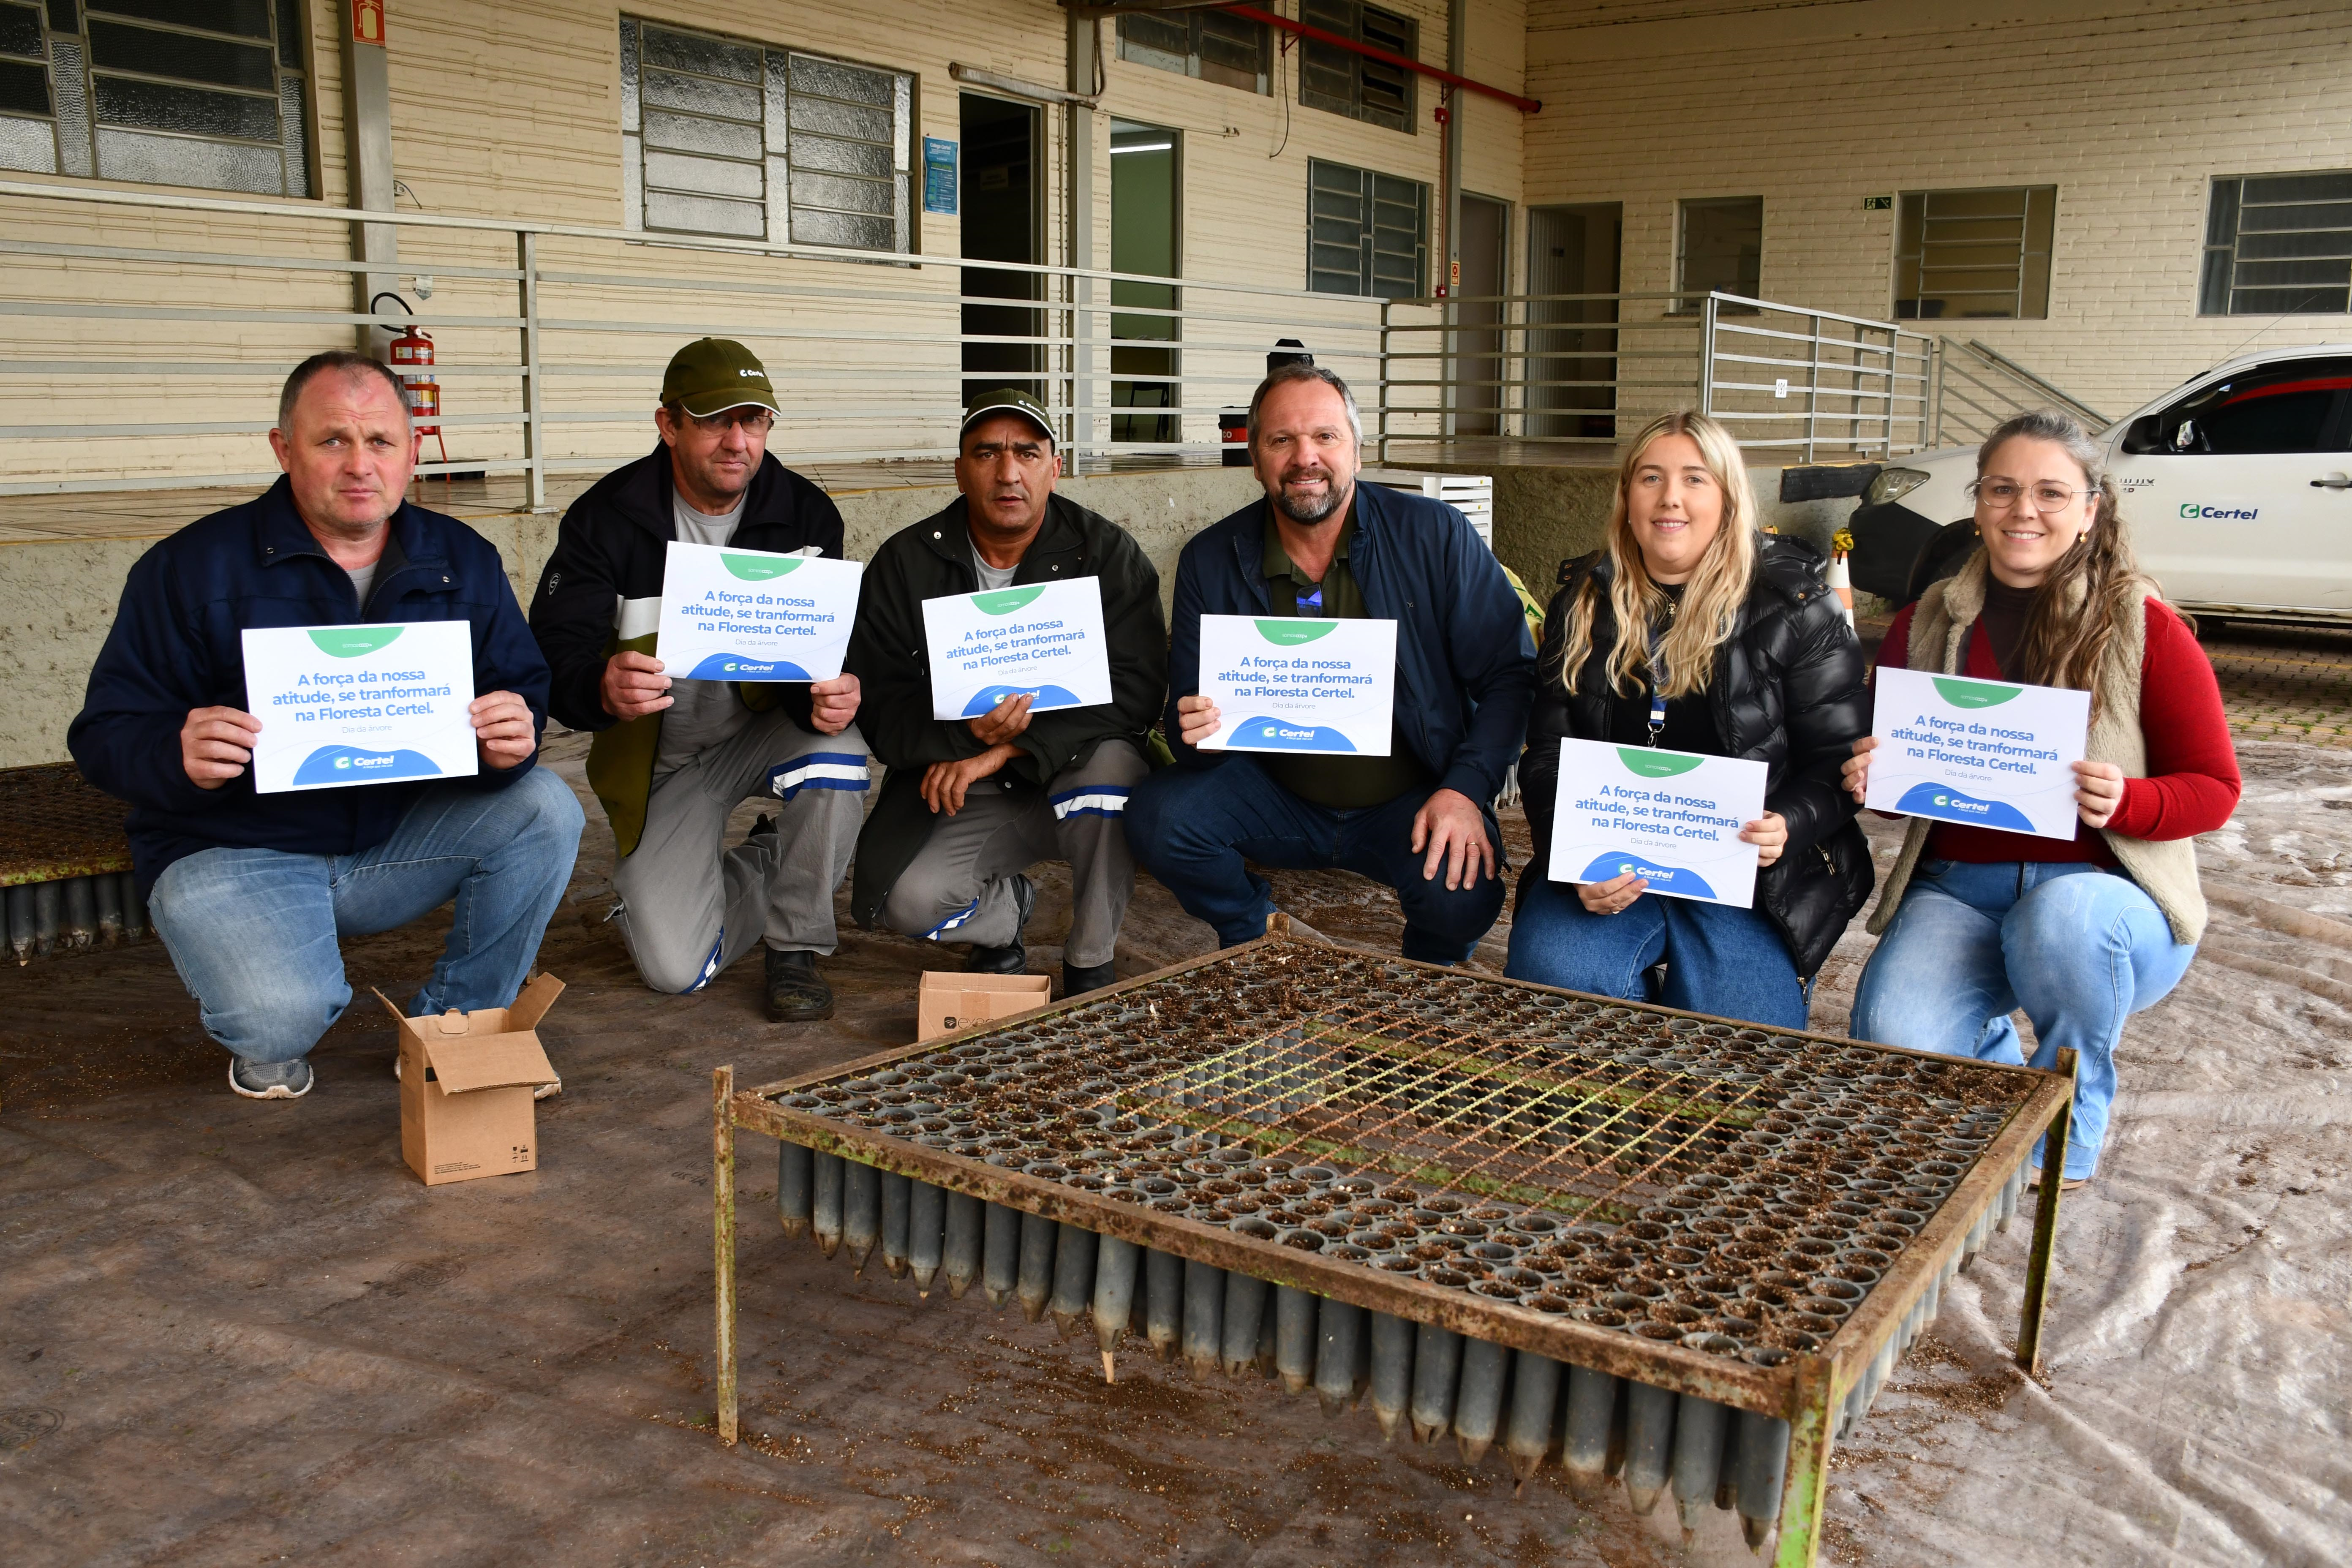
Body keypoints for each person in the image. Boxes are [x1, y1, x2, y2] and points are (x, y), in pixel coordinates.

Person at [69, 351, 583, 1102]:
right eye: (331, 440)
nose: (359, 464)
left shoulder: (461, 560)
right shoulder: (189, 568)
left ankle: (455, 1028)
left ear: (412, 451)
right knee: (280, 1022)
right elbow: (105, 730)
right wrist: (172, 750)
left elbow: (521, 690)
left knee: (544, 805)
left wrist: (512, 737)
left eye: (379, 442)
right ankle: (271, 995)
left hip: (394, 835)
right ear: (283, 449)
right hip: (241, 847)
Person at [1846, 408, 2238, 1191]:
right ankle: (2011, 1087)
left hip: (2107, 907)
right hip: (1962, 891)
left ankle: (2073, 1106)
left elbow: (2215, 789)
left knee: (2060, 922)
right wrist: (1872, 780)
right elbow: (1901, 786)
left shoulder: (2144, 626)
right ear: (1979, 502)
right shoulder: (1925, 623)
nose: (2025, 510)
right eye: (2003, 489)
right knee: (1893, 1031)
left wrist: (2128, 800)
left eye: (2052, 493)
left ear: (2090, 510)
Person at [1125, 364, 1534, 964]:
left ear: (1357, 452)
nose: (1304, 458)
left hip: (1407, 797)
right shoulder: (1212, 559)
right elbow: (1189, 724)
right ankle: (1254, 933)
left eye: (1325, 437)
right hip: (1276, 795)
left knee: (1462, 889)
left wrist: (1465, 791)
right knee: (1161, 818)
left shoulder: (1434, 536)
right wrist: (1199, 733)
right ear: (1257, 461)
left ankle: (1426, 969)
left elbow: (1510, 674)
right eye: (1281, 440)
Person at [529, 340, 867, 1021]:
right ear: (668, 425)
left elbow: (834, 649)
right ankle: (770, 862)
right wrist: (600, 686)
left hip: (763, 735)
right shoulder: (605, 519)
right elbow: (551, 655)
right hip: (663, 765)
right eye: (716, 421)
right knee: (676, 968)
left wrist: (838, 693)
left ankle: (796, 946)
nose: (738, 441)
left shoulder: (807, 514)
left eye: (755, 421)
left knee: (841, 756)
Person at [1505, 411, 1872, 1026]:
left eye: (1695, 480)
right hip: (1611, 864)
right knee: (1557, 998)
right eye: (1651, 478)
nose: (1670, 498)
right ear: (1626, 498)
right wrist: (1572, 861)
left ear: (1729, 499)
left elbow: (1837, 764)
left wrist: (1788, 824)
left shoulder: (1799, 607)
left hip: (1750, 879)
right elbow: (1546, 756)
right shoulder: (1583, 601)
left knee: (1742, 1049)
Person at [844, 389, 1165, 996]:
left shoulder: (1108, 555)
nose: (1008, 472)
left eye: (1027, 452)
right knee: (903, 903)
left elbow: (1138, 689)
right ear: (961, 469)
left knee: (1112, 779)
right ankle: (1005, 917)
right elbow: (881, 704)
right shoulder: (906, 563)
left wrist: (1006, 747)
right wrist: (964, 737)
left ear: (1055, 466)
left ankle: (1091, 960)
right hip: (968, 791)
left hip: (1076, 773)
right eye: (987, 454)